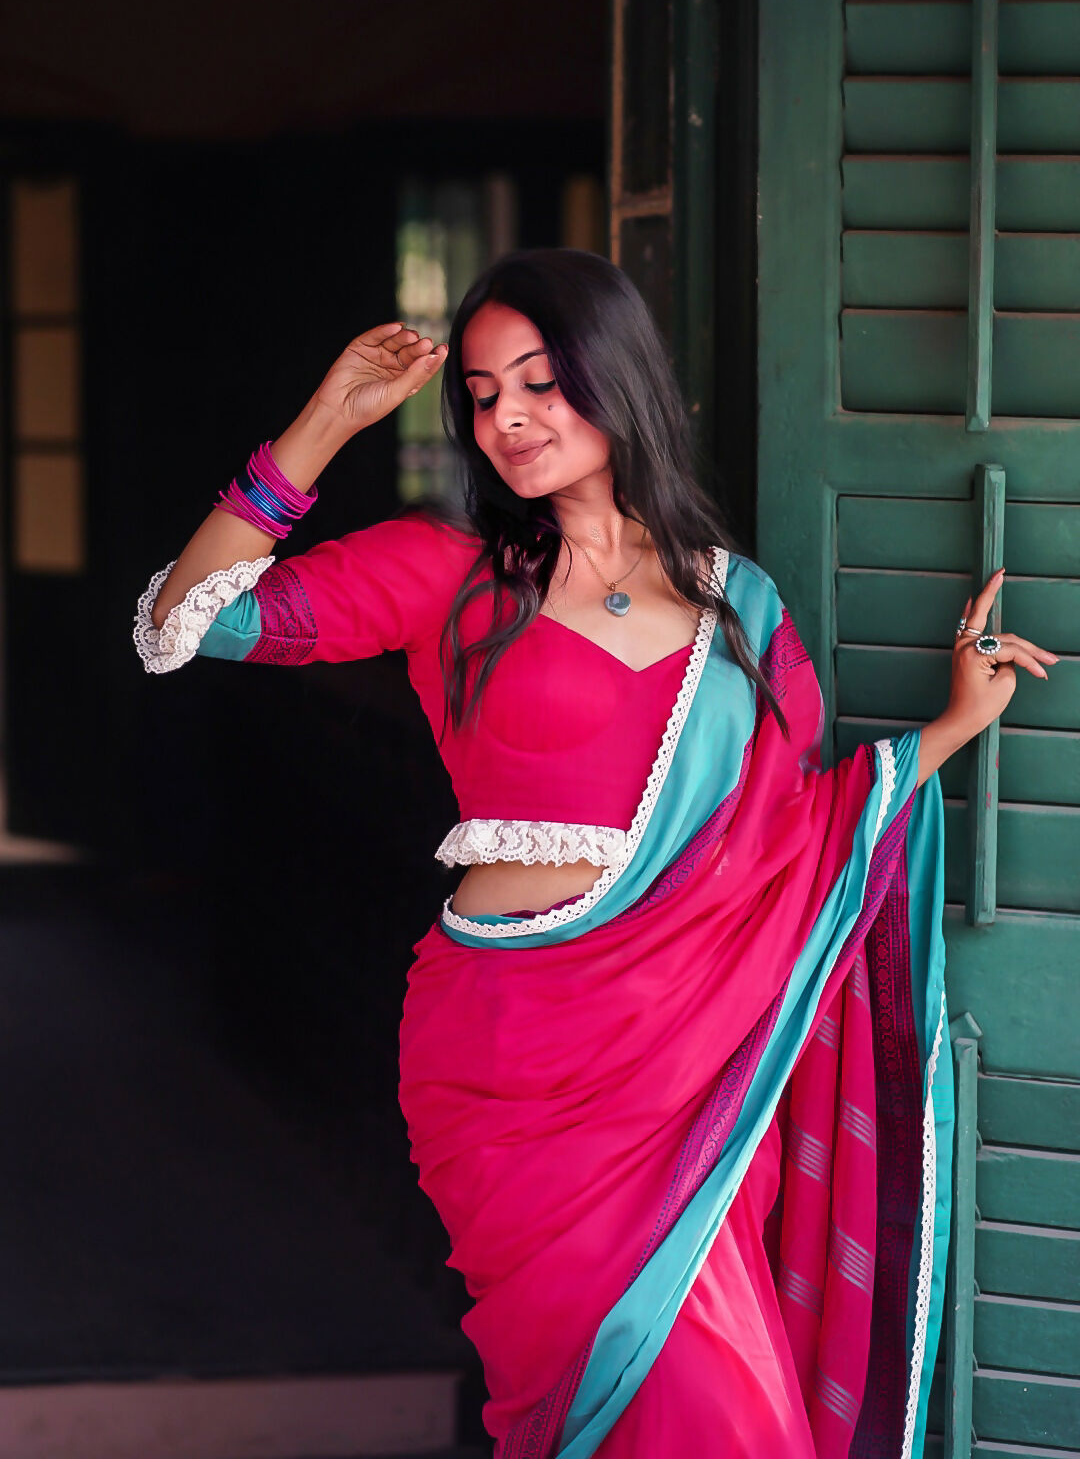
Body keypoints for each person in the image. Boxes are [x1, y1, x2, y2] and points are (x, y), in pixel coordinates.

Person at [134, 248, 1056, 1459]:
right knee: (598, 1399)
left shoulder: (742, 612)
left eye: (539, 381)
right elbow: (180, 625)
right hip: (510, 1066)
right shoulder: (447, 574)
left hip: (681, 1073)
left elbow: (785, 841)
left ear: (613, 380)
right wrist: (324, 424)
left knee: (720, 1410)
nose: (507, 416)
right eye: (479, 392)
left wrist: (944, 730)